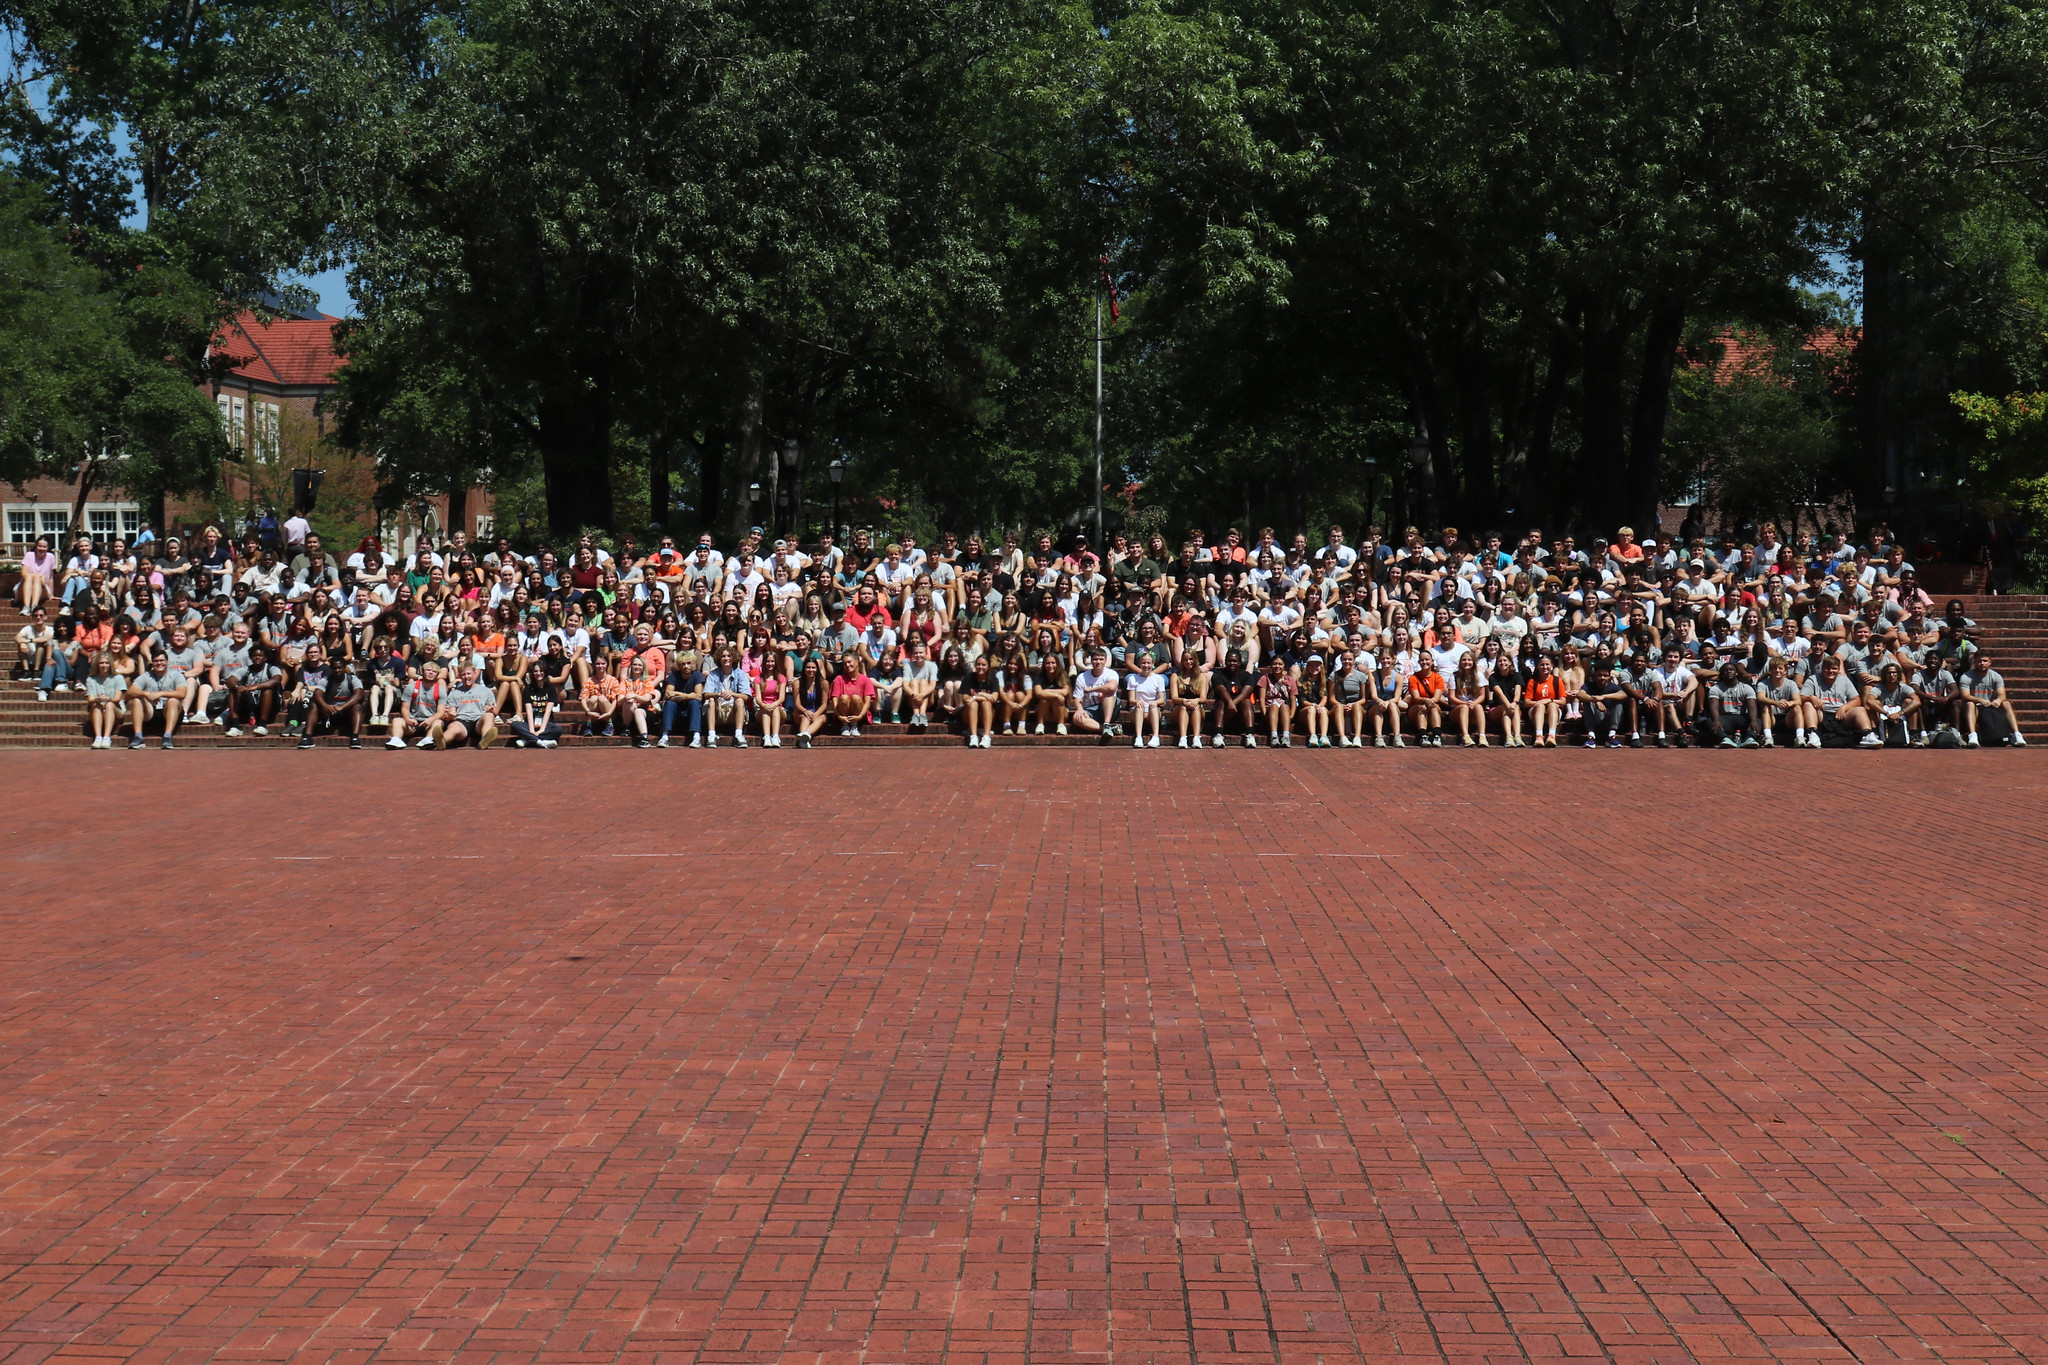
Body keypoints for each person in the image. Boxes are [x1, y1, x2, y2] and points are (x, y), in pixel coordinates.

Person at [1960, 651, 2025, 747]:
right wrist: (1980, 700)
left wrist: (1998, 700)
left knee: (2006, 703)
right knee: (1969, 704)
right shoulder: (1966, 677)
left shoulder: (1995, 676)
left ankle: (2017, 734)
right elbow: (1964, 696)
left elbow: (2002, 694)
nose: (1982, 663)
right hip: (1976, 707)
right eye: (1979, 661)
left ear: (1990, 662)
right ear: (1974, 662)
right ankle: (1972, 736)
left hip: (1990, 706)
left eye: (1985, 661)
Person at [125, 651, 186, 750]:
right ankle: (138, 737)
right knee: (137, 700)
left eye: (162, 660)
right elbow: (129, 692)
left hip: (170, 710)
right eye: (156, 661)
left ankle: (167, 737)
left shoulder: (176, 675)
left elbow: (182, 693)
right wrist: (145, 693)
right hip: (150, 711)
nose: (159, 663)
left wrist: (161, 693)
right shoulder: (146, 675)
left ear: (167, 662)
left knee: (173, 700)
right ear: (152, 663)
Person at [1124, 651, 1166, 748]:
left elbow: (1161, 699)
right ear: (1139, 664)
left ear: (1153, 664)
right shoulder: (1133, 679)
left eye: (1148, 663)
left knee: (1154, 707)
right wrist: (1137, 702)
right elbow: (1131, 700)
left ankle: (1155, 736)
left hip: (1152, 712)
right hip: (1138, 712)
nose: (1146, 665)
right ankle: (1138, 737)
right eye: (1143, 663)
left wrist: (1155, 702)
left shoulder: (1158, 679)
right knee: (1139, 707)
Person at [83, 653, 125, 748]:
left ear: (110, 664)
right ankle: (98, 737)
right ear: (97, 664)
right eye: (101, 663)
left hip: (115, 710)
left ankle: (106, 737)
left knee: (109, 704)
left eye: (107, 663)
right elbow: (90, 700)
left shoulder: (118, 678)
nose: (104, 665)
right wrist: (97, 699)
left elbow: (117, 699)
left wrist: (107, 699)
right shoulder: (91, 679)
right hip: (97, 710)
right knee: (97, 705)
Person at [827, 653, 874, 737]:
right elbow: (834, 700)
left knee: (856, 698)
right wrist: (839, 716)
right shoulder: (839, 679)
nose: (847, 665)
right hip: (842, 713)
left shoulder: (865, 680)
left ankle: (854, 725)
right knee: (844, 698)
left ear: (856, 662)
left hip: (859, 713)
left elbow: (868, 702)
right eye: (845, 664)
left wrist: (860, 716)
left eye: (849, 662)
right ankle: (845, 725)